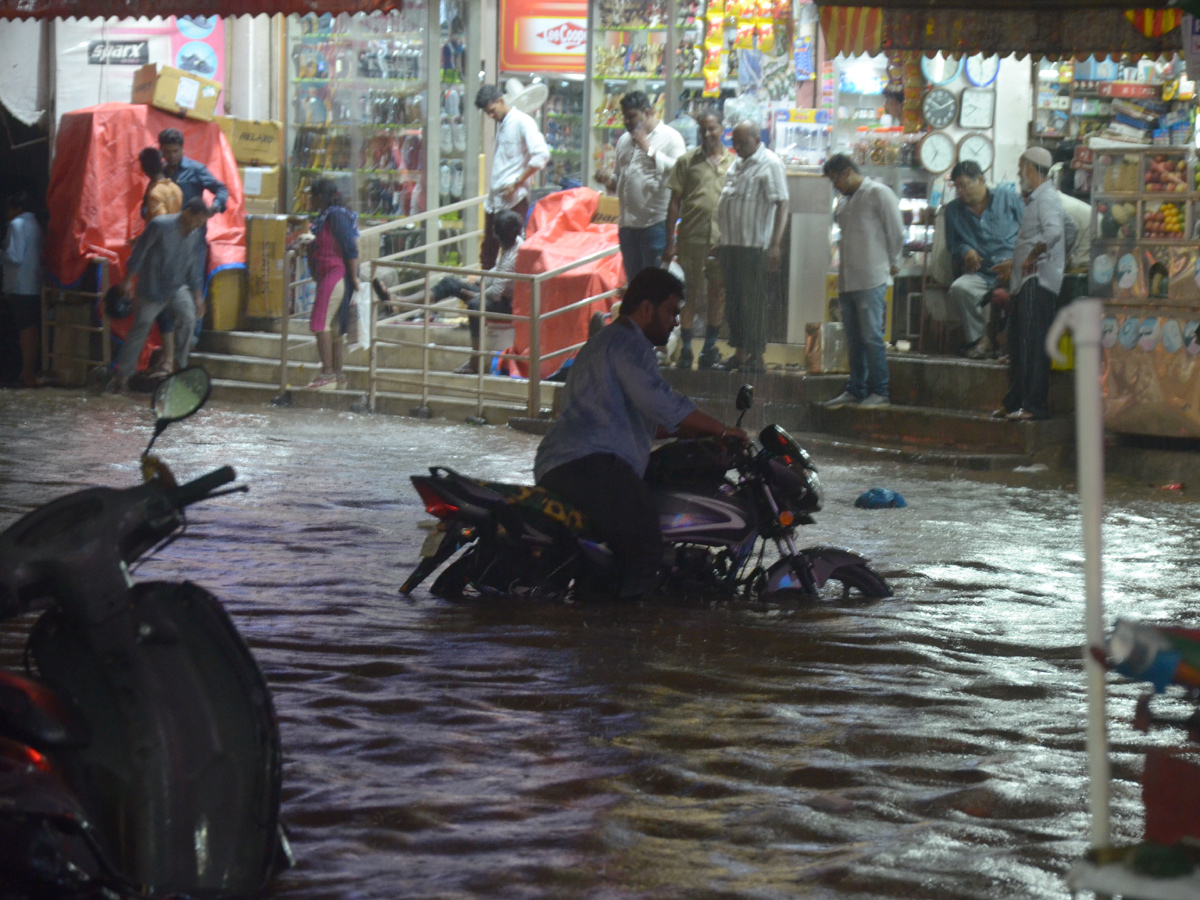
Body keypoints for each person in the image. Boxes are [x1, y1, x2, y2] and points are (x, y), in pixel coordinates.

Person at [533, 267, 748, 601]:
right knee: (647, 544)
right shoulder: (629, 344)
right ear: (646, 308)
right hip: (589, 464)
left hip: (566, 463)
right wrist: (722, 428)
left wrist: (690, 434)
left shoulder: (605, 341)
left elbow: (635, 418)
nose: (676, 322)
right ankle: (628, 634)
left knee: (618, 548)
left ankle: (593, 612)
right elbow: (662, 401)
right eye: (671, 312)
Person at [991, 147, 1067, 422]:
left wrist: (1034, 257)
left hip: (1038, 281)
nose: (1019, 174)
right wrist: (1016, 261)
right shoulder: (1040, 199)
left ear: (1032, 169)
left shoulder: (1046, 199)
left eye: (1021, 168)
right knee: (1019, 344)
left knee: (1032, 346)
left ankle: (1033, 406)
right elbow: (1067, 227)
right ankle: (1014, 403)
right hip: (1028, 280)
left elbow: (1055, 232)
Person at [822, 154, 904, 409]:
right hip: (848, 281)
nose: (835, 185)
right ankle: (855, 389)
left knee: (871, 337)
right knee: (854, 339)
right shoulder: (844, 202)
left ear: (847, 172)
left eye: (835, 178)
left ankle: (880, 391)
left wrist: (893, 262)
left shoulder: (878, 193)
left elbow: (896, 231)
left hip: (872, 278)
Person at [109, 198, 209, 392]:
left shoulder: (194, 235)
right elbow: (139, 252)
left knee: (188, 318)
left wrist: (198, 295)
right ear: (187, 213)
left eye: (201, 223)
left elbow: (194, 267)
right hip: (151, 288)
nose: (198, 225)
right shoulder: (160, 225)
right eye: (197, 220)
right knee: (141, 327)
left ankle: (179, 368)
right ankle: (123, 377)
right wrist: (128, 280)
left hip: (176, 288)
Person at [713, 119, 788, 375]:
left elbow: (782, 204)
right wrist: (721, 240)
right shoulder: (738, 162)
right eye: (734, 143)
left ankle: (756, 357)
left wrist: (775, 245)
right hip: (732, 244)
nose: (738, 148)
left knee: (751, 302)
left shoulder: (770, 163)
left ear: (757, 140)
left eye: (743, 143)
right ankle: (740, 354)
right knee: (734, 302)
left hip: (754, 245)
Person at [663, 109, 732, 370]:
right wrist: (670, 242)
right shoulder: (686, 162)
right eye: (702, 129)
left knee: (717, 294)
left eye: (712, 128)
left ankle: (710, 349)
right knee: (689, 294)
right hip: (690, 238)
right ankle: (687, 351)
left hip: (721, 242)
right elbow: (674, 203)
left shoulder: (733, 163)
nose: (706, 133)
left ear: (722, 129)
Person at [596, 91, 685, 281]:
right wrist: (606, 179)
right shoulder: (623, 141)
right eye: (624, 117)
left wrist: (649, 150)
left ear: (647, 113)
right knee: (635, 286)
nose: (627, 122)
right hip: (627, 227)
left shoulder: (671, 138)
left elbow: (680, 173)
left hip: (655, 225)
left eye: (632, 117)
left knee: (655, 287)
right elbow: (618, 179)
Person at [943, 160, 1024, 359]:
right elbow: (952, 245)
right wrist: (965, 250)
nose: (960, 191)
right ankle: (981, 340)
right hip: (982, 271)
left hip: (1013, 269)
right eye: (956, 186)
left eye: (964, 184)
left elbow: (1030, 231)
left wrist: (1018, 260)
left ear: (980, 180)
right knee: (960, 289)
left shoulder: (1009, 199)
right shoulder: (953, 211)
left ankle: (1008, 343)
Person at [474, 84, 548, 270]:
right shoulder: (505, 123)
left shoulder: (522, 121)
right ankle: (487, 293)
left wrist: (517, 182)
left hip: (513, 200)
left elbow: (541, 155)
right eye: (487, 113)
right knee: (488, 251)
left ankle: (506, 295)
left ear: (500, 101)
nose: (490, 116)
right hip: (496, 199)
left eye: (491, 111)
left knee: (513, 253)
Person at [304, 178, 360, 390]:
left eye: (312, 196)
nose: (310, 200)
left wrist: (354, 278)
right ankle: (338, 375)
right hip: (328, 274)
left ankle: (327, 373)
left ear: (320, 197)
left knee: (320, 323)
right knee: (335, 327)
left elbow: (351, 248)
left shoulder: (336, 216)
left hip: (335, 275)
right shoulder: (325, 217)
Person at [138, 147, 185, 378]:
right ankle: (169, 359)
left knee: (161, 310)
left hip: (159, 257)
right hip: (174, 253)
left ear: (143, 168)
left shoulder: (156, 193)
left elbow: (160, 225)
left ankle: (168, 361)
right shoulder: (174, 188)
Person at [1, 192, 43, 388]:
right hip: (32, 284)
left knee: (24, 329)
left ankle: (26, 372)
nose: (7, 213)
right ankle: (29, 370)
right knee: (31, 329)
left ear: (17, 208)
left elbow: (15, 257)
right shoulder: (34, 224)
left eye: (9, 208)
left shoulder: (16, 225)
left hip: (19, 285)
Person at [140, 147, 183, 220]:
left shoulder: (155, 193)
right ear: (162, 165)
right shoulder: (176, 188)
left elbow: (161, 223)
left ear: (144, 170)